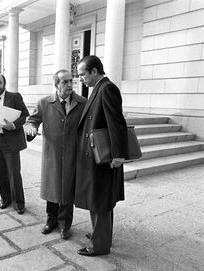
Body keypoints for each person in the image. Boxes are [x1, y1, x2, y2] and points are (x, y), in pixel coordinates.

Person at [75, 55, 129, 256]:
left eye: (83, 75)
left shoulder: (107, 88)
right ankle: (100, 234)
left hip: (103, 157)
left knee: (101, 201)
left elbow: (117, 123)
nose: (81, 79)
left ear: (95, 71)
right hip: (95, 156)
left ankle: (100, 245)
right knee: (97, 199)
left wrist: (118, 155)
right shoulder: (98, 88)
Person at [25, 69, 86, 240]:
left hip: (73, 155)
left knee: (67, 191)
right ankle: (51, 221)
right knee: (52, 189)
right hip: (52, 154)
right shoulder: (44, 103)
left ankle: (65, 225)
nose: (69, 85)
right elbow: (32, 120)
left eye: (71, 81)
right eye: (65, 82)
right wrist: (31, 128)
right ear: (56, 84)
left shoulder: (82, 102)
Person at [0, 73, 29, 214]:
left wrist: (14, 125)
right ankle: (5, 199)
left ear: (4, 83)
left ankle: (19, 203)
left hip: (11, 141)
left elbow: (24, 115)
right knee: (0, 172)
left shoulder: (14, 97)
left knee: (14, 174)